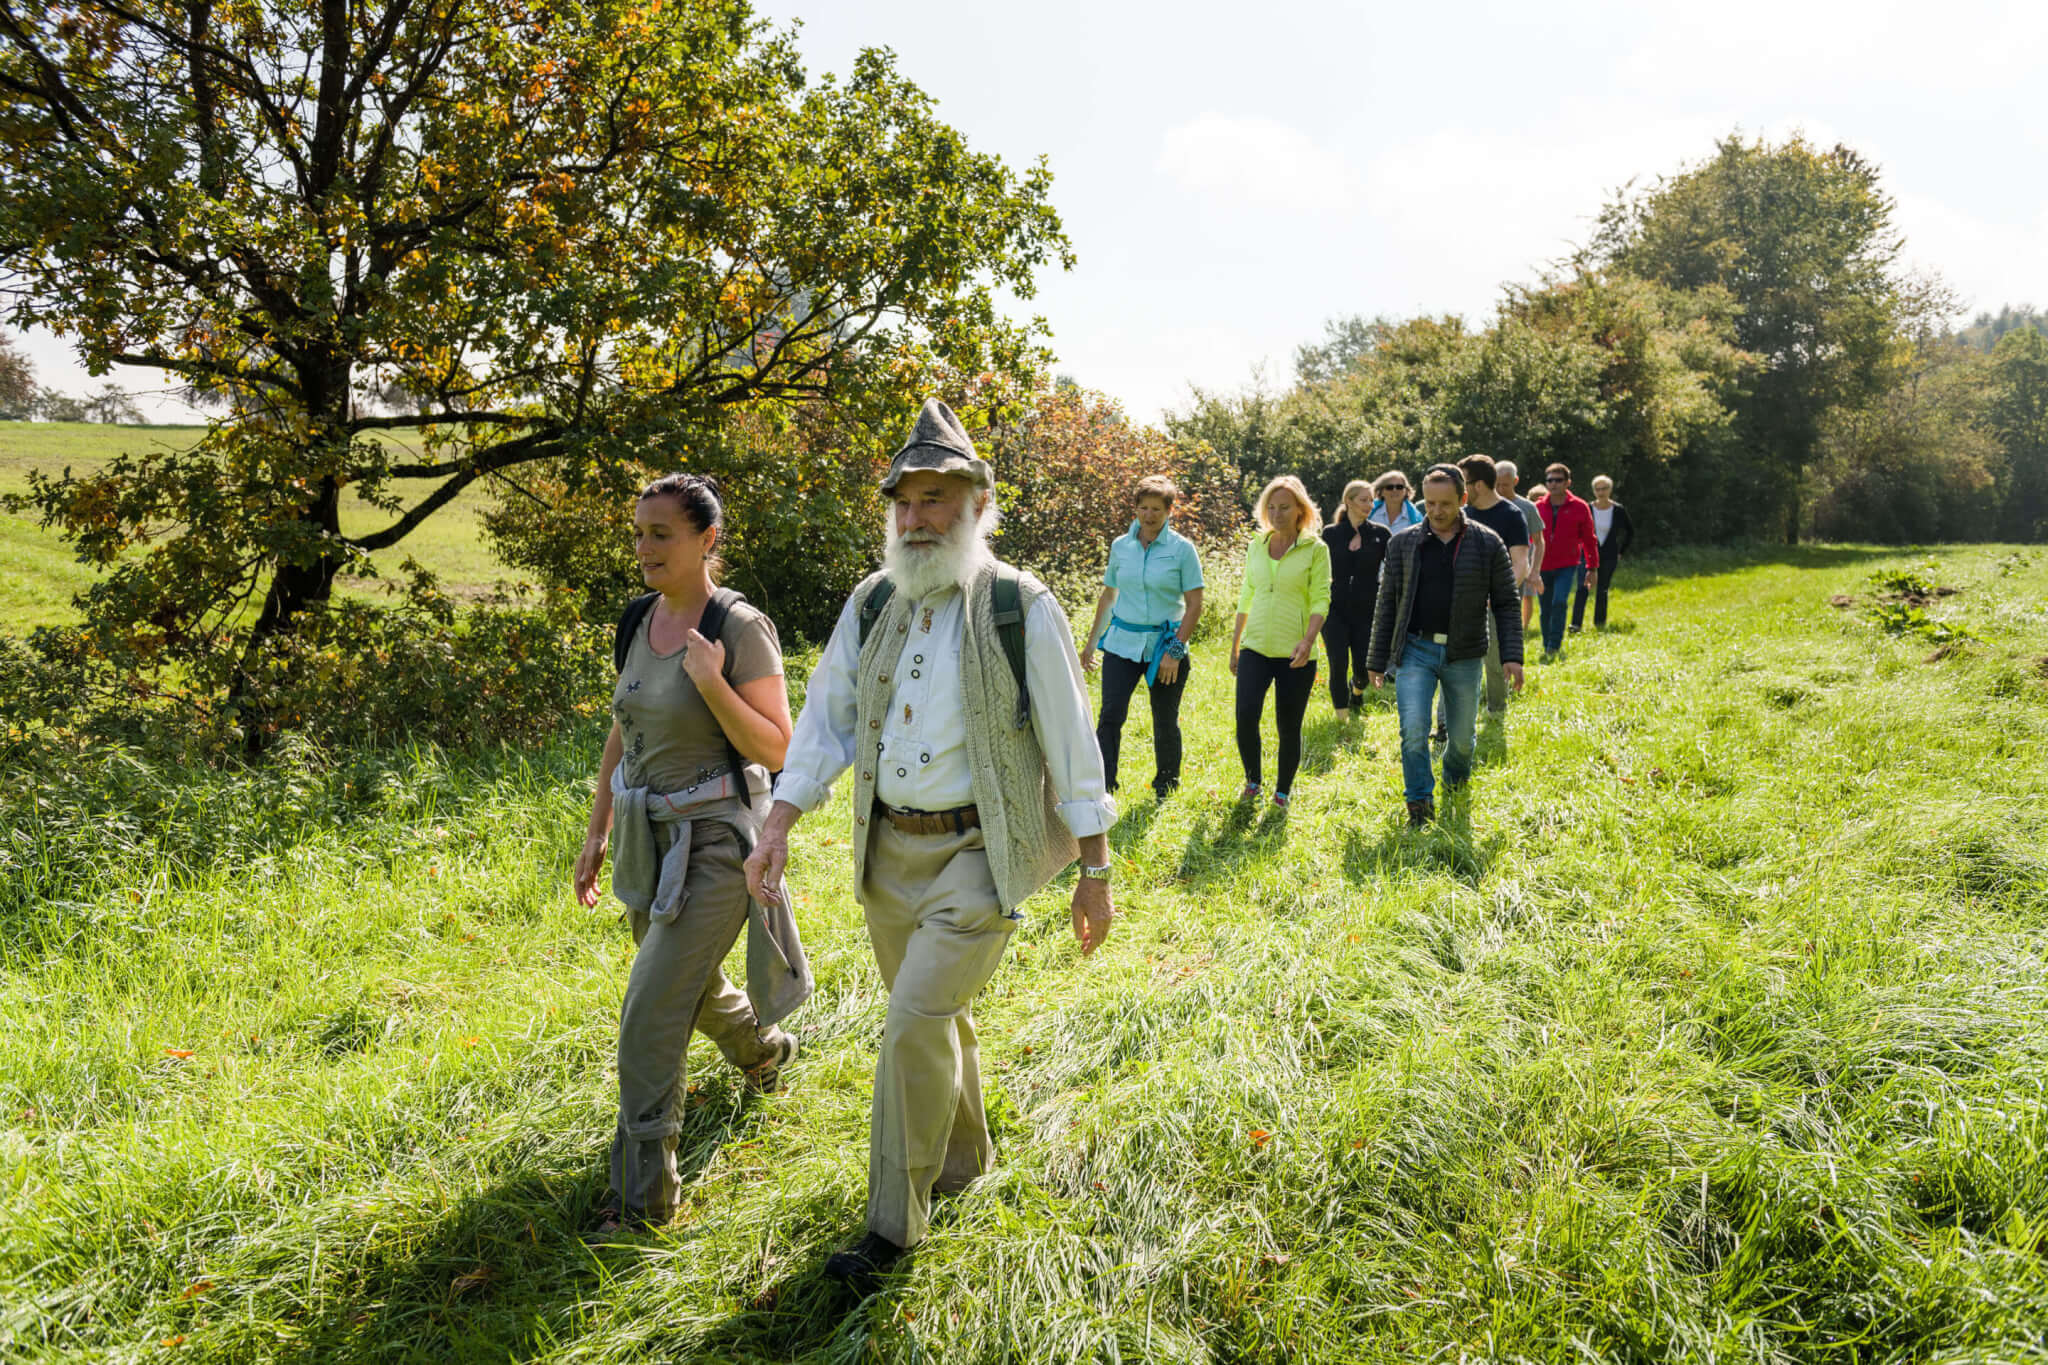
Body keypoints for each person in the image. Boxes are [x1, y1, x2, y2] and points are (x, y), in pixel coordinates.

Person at [743, 399, 1115, 1293]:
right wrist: (780, 823)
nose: (917, 518)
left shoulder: (1021, 606)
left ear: (978, 504)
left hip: (982, 854)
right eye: (905, 501)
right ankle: (966, 1157)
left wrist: (1096, 873)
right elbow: (827, 721)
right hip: (887, 857)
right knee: (935, 1015)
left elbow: (1071, 740)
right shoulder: (871, 603)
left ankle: (890, 1230)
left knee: (909, 1021)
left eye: (938, 498)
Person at [573, 472, 810, 1236]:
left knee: (649, 1011)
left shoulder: (739, 627)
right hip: (650, 836)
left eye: (661, 534)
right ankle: (765, 1051)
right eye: (638, 532)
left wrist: (712, 685)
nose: (643, 548)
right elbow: (624, 723)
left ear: (706, 540)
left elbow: (779, 748)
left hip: (717, 844)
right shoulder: (639, 617)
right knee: (689, 984)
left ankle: (644, 1201)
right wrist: (598, 826)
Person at [1367, 464, 1525, 825]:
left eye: (1446, 504)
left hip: (1465, 653)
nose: (1437, 512)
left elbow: (1506, 602)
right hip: (1415, 650)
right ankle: (1419, 803)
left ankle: (1455, 779)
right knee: (1413, 731)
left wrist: (1513, 656)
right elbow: (1387, 602)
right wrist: (1377, 660)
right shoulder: (1402, 542)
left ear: (1463, 500)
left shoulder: (1487, 543)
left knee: (1463, 740)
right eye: (1430, 503)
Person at [1081, 475, 1206, 799]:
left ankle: (1166, 785)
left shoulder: (1182, 550)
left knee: (1165, 719)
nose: (1149, 515)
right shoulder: (1121, 547)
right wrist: (1091, 643)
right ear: (1134, 508)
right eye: (1143, 508)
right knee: (1110, 716)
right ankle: (1104, 785)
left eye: (1156, 509)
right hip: (1122, 644)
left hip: (1165, 647)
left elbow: (1194, 605)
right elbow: (1109, 596)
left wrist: (1174, 652)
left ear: (1169, 511)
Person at [1230, 475, 1331, 809]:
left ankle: (1283, 791)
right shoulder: (1256, 546)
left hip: (1296, 652)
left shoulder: (1316, 549)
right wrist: (1235, 645)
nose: (1277, 513)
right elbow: (1246, 595)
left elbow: (1320, 599)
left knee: (1288, 724)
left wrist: (1308, 640)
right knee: (1245, 715)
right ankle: (1253, 781)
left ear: (1300, 509)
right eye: (1271, 507)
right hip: (1255, 647)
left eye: (1284, 507)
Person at [1450, 453, 1528, 716]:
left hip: (1497, 601)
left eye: (1463, 483)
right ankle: (1453, 716)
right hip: (1462, 600)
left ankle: (1496, 710)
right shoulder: (1462, 514)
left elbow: (1520, 564)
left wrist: (1496, 593)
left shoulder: (1512, 515)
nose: (1458, 489)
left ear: (1478, 485)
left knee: (1494, 661)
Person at [1322, 480, 1391, 721]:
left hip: (1367, 610)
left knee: (1363, 667)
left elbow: (1394, 569)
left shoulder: (1381, 535)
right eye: (1363, 500)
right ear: (1348, 501)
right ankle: (1342, 719)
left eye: (1371, 500)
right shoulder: (1330, 534)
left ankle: (1357, 691)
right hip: (1334, 610)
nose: (1369, 505)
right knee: (1338, 664)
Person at [1535, 462, 1599, 656]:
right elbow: (1529, 538)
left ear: (1567, 482)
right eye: (1549, 480)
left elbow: (1589, 539)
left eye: (1558, 480)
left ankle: (1555, 644)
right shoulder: (1537, 507)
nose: (1553, 484)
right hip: (1542, 565)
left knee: (1559, 601)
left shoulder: (1580, 507)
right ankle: (1547, 644)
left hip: (1567, 564)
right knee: (1545, 607)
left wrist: (1592, 567)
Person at [1571, 475, 1635, 632]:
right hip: (1586, 555)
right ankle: (1575, 624)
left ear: (1610, 489)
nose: (1601, 492)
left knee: (1602, 589)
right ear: (1594, 491)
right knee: (1582, 588)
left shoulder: (1618, 510)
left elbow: (1630, 532)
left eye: (1604, 488)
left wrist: (1621, 552)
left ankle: (1599, 623)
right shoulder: (1587, 508)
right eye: (1598, 489)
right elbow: (1576, 531)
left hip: (1609, 555)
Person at [1494, 460, 1546, 636]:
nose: (1500, 489)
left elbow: (1539, 542)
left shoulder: (1527, 507)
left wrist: (1535, 571)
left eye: (1505, 485)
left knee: (1509, 614)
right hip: (1489, 569)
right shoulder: (1485, 505)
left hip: (1517, 569)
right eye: (1497, 484)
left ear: (1515, 481)